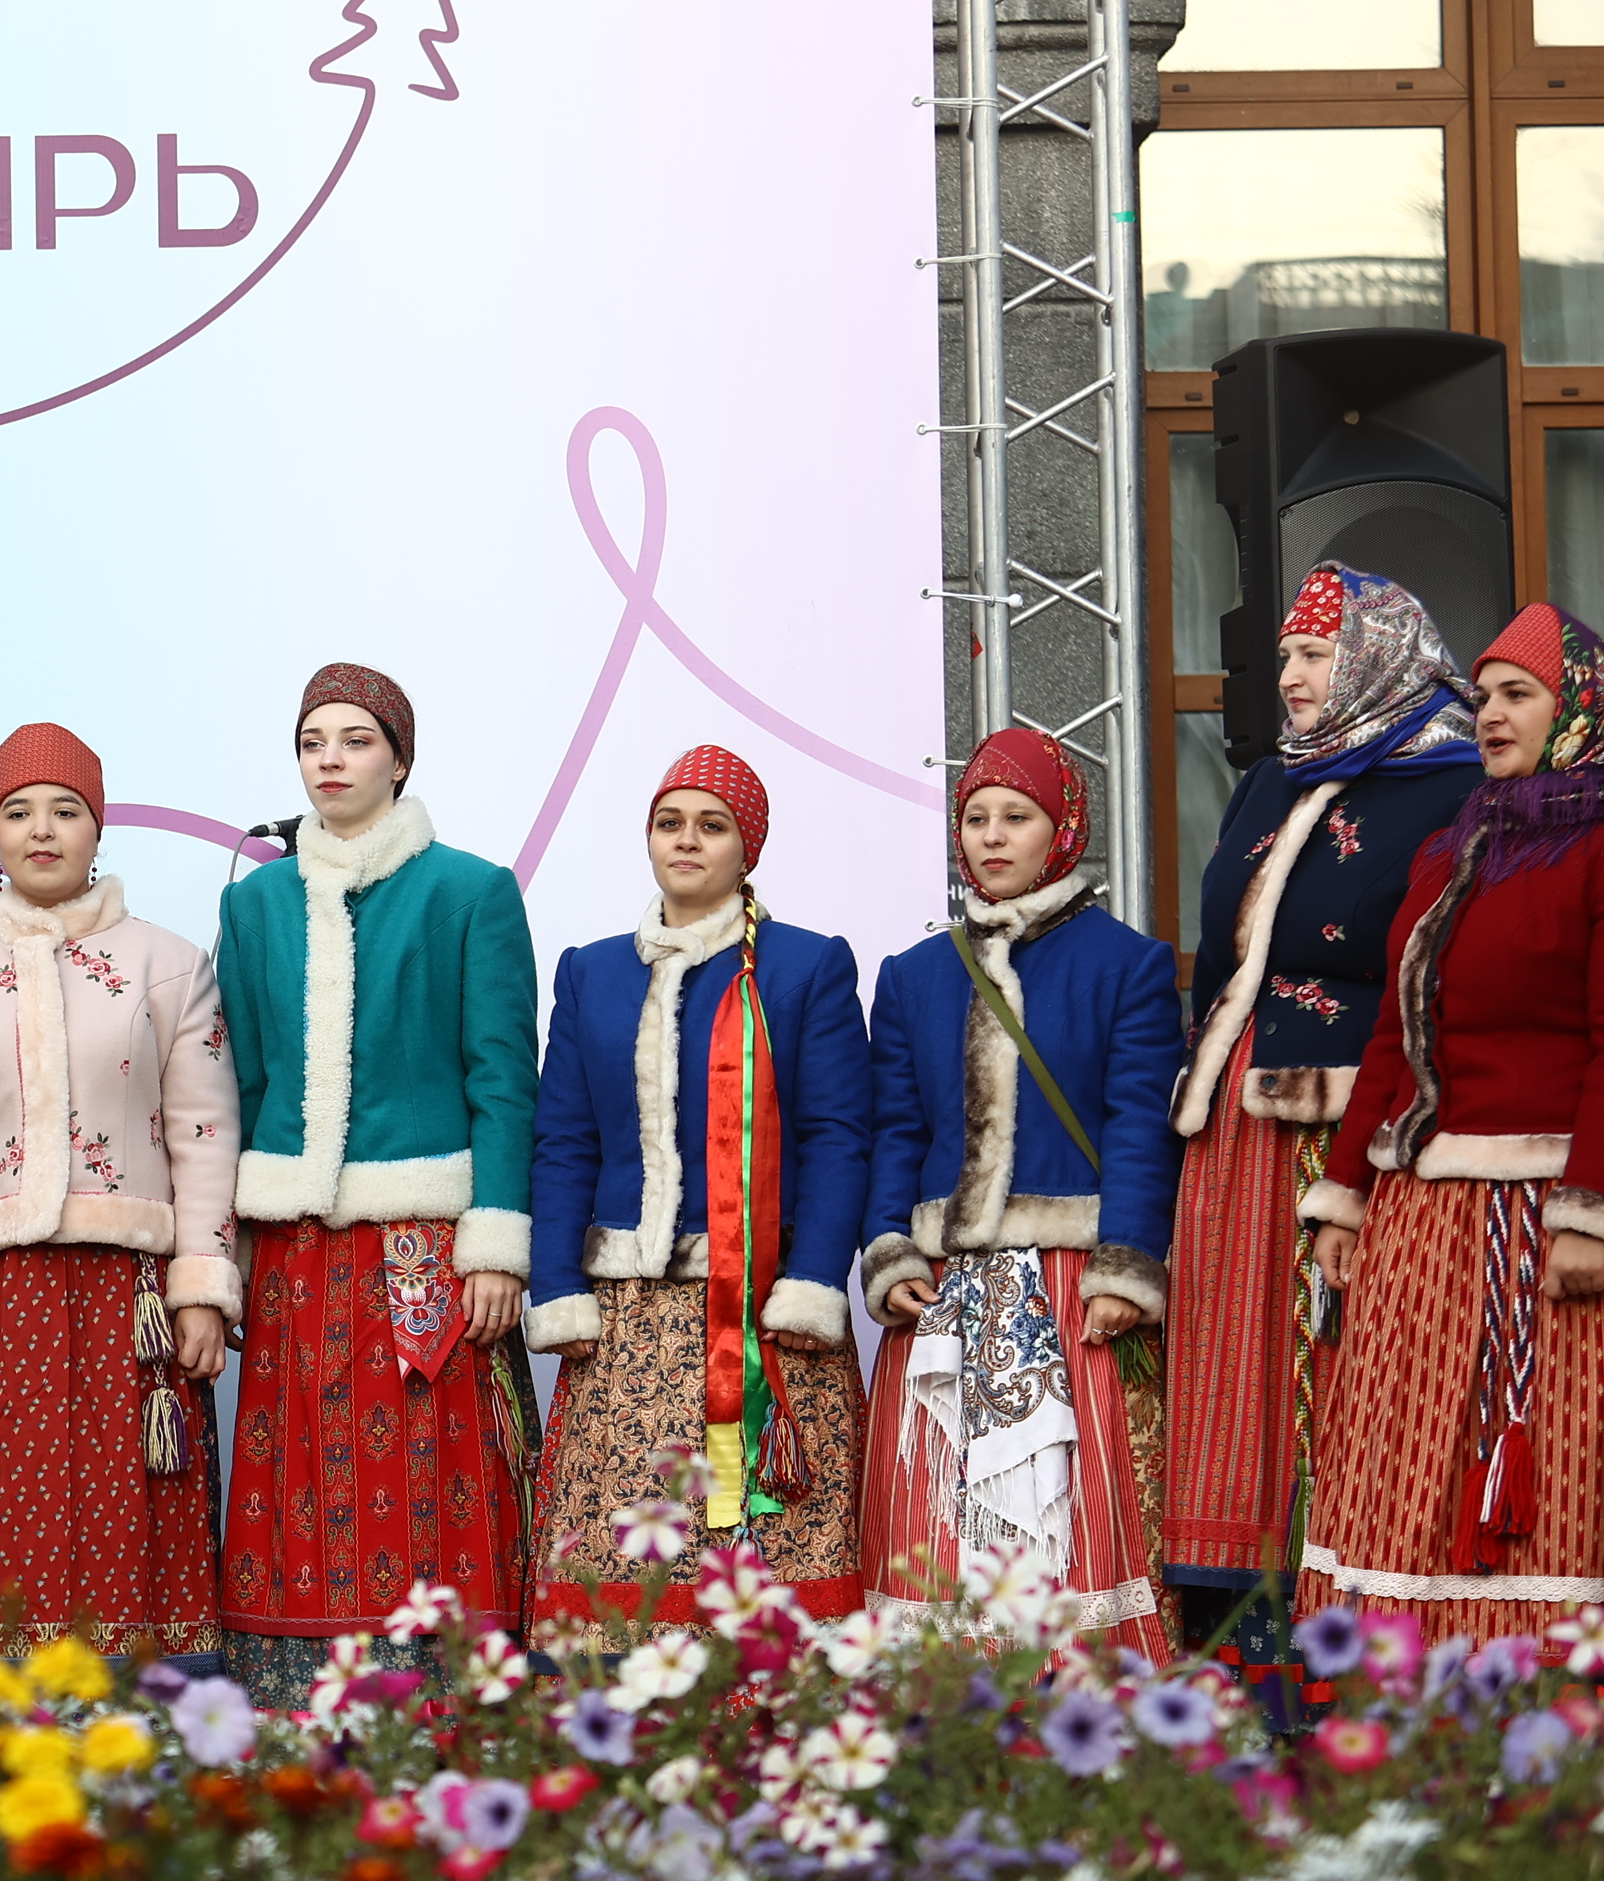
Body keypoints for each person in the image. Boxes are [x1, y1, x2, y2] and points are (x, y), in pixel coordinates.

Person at [1165, 563, 1479, 1718]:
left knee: (1330, 1363)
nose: (1292, 678)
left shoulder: (1451, 784)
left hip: (1347, 1121)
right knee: (1230, 1370)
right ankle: (1238, 1658)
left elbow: (1432, 975)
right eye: (1288, 656)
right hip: (1231, 1120)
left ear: (1378, 657)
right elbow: (1218, 954)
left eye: (1315, 654)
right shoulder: (1271, 779)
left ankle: (1339, 1655)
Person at [0, 724, 240, 1663]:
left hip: (128, 1295)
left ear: (97, 828)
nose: (42, 830)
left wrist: (201, 1284)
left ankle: (129, 1719)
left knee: (121, 1509)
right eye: (18, 811)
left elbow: (203, 1135)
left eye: (66, 810)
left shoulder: (168, 963)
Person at [215, 663, 540, 1705]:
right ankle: (292, 1698)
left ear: (400, 759)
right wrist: (235, 1244)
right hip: (297, 1248)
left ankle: (449, 1696)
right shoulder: (255, 904)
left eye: (356, 740)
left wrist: (496, 1243)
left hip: (425, 1244)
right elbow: (245, 1082)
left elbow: (503, 1079)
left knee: (431, 1476)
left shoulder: (470, 891)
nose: (332, 760)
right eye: (313, 742)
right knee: (298, 1468)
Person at [1298, 602, 1604, 1646]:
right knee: (1404, 1447)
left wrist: (1586, 1214)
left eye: (1519, 693)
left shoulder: (1596, 851)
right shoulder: (1451, 851)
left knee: (1553, 1450)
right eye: (1482, 698)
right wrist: (1344, 1195)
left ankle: (1544, 1691)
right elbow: (1393, 1034)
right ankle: (1408, 1690)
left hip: (1543, 1212)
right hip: (1424, 1215)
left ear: (1577, 709)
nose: (1492, 714)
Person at [525, 747, 870, 1626]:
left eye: (711, 826)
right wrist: (558, 1286)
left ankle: (772, 1707)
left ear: (748, 847)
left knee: (762, 1542)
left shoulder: (804, 966)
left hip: (760, 1311)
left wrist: (811, 1284)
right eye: (669, 823)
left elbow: (837, 1139)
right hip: (626, 1323)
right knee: (626, 1550)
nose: (686, 841)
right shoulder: (592, 971)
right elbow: (563, 1141)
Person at [860, 728, 1182, 1648]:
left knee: (1078, 1521)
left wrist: (1125, 1267)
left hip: (1073, 1292)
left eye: (1017, 816)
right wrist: (889, 1254)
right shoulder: (915, 976)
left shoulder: (1127, 964)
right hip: (945, 1297)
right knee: (934, 1529)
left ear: (1063, 829)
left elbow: (1137, 1126)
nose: (993, 837)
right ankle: (946, 1713)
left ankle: (1083, 1712)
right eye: (975, 819)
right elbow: (895, 1133)